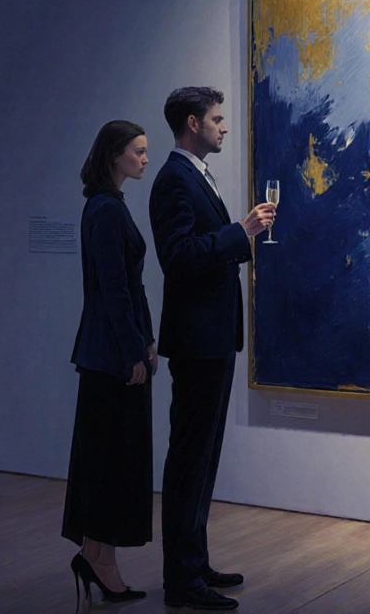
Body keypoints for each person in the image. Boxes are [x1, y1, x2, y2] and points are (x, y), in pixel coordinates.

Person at [149, 87, 274, 611]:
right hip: (199, 343)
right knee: (189, 460)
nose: (224, 127)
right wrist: (239, 232)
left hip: (213, 339)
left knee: (202, 459)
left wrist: (235, 235)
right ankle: (182, 580)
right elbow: (178, 259)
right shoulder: (174, 180)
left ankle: (194, 565)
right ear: (192, 123)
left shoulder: (195, 175)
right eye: (217, 119)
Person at [62, 120, 155, 606]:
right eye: (138, 151)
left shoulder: (110, 207)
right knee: (111, 460)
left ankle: (99, 556)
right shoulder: (105, 210)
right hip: (109, 356)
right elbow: (114, 290)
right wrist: (132, 353)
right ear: (115, 155)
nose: (144, 159)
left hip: (112, 350)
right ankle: (100, 558)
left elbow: (127, 288)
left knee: (111, 460)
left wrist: (148, 340)